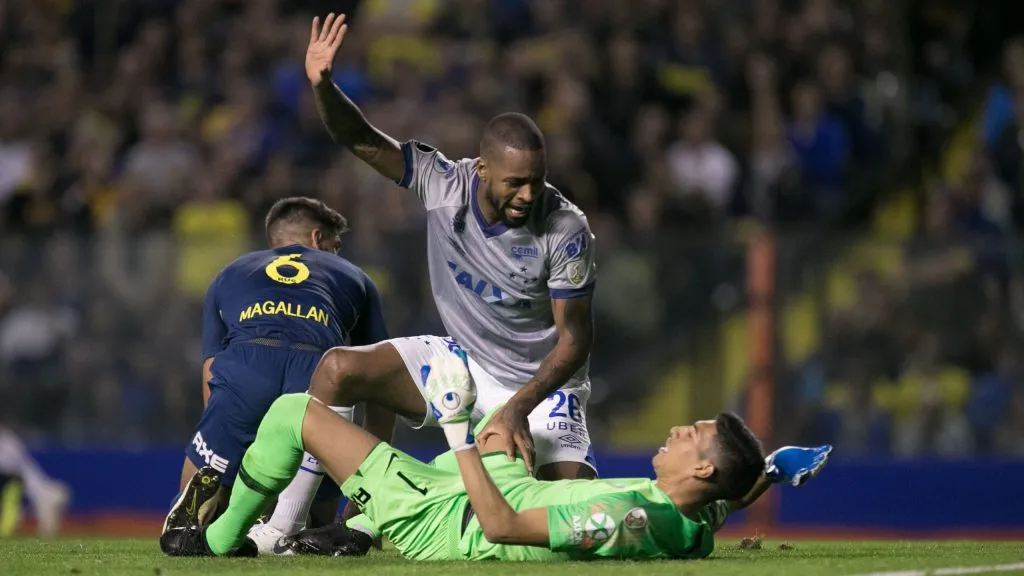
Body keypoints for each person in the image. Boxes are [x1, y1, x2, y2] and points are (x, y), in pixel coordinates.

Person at [251, 12, 604, 550]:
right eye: (515, 183)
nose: (528, 195)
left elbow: (575, 339)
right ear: (482, 169)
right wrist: (323, 85)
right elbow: (360, 139)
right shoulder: (445, 184)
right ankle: (294, 526)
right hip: (458, 363)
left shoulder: (565, 227)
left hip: (539, 388)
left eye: (536, 181)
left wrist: (516, 409)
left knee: (570, 524)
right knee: (340, 369)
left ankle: (371, 520)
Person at [161, 353, 832, 561]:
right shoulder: (693, 523)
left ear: (703, 468)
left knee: (289, 416)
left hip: (443, 517)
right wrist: (770, 468)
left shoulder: (619, 513)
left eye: (693, 433)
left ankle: (219, 542)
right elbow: (720, 504)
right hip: (499, 488)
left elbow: (501, 529)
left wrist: (455, 429)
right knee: (509, 435)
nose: (679, 429)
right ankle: (349, 524)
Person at [163, 197, 390, 535]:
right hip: (315, 369)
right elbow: (379, 381)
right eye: (335, 244)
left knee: (204, 484)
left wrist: (222, 433)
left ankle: (196, 513)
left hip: (245, 364)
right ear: (317, 239)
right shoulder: (355, 276)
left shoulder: (229, 272)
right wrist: (363, 490)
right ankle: (309, 525)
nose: (337, 253)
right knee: (313, 524)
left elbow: (211, 367)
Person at [0, 427, 69, 536]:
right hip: (50, 489)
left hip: (44, 494)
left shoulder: (9, 445)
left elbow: (9, 467)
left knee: (45, 529)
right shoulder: (11, 444)